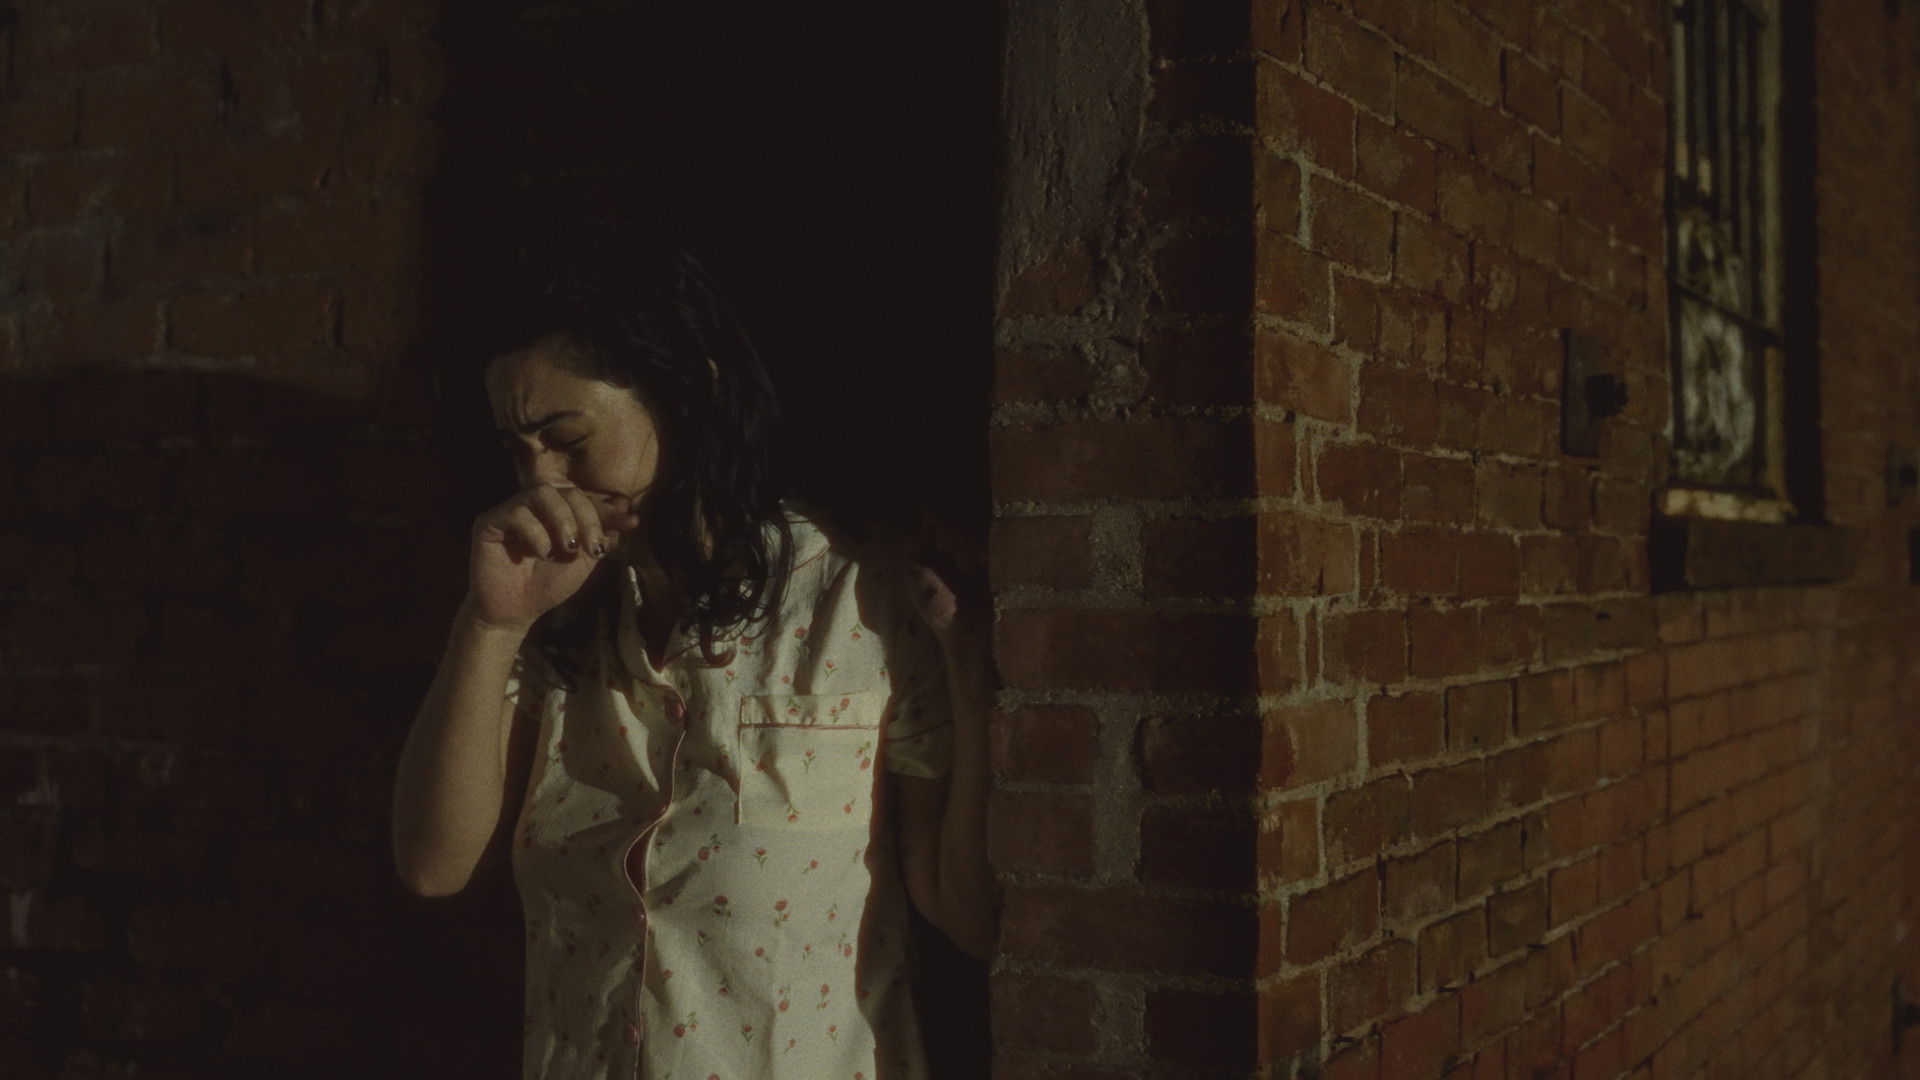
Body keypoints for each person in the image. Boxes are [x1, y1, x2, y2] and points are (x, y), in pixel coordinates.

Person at [390, 232, 994, 1080]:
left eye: (568, 438)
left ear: (687, 395)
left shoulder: (861, 599)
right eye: (516, 450)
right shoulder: (561, 622)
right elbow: (432, 865)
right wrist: (489, 626)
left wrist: (968, 659)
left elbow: (970, 913)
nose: (542, 481)